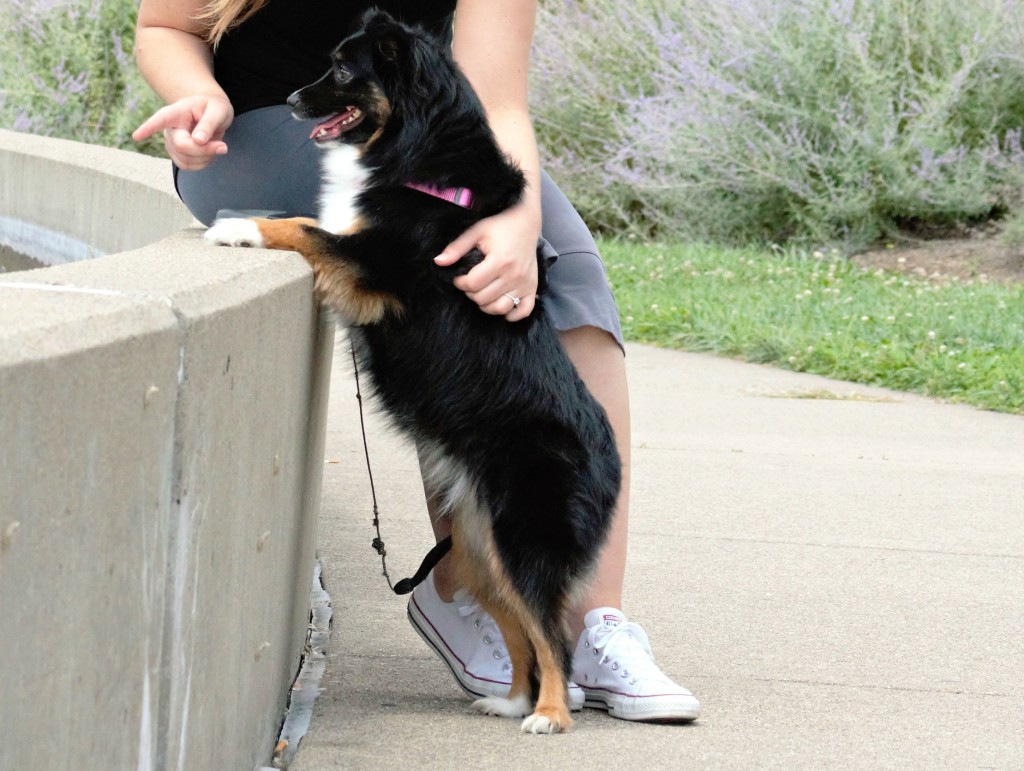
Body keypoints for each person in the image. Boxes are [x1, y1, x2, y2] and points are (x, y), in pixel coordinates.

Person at [133, 0, 700, 723]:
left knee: (570, 278)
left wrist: (517, 217)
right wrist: (196, 93)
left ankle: (591, 623)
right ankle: (464, 582)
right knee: (427, 253)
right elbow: (167, 27)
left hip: (410, 128)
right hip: (256, 131)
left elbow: (495, 100)